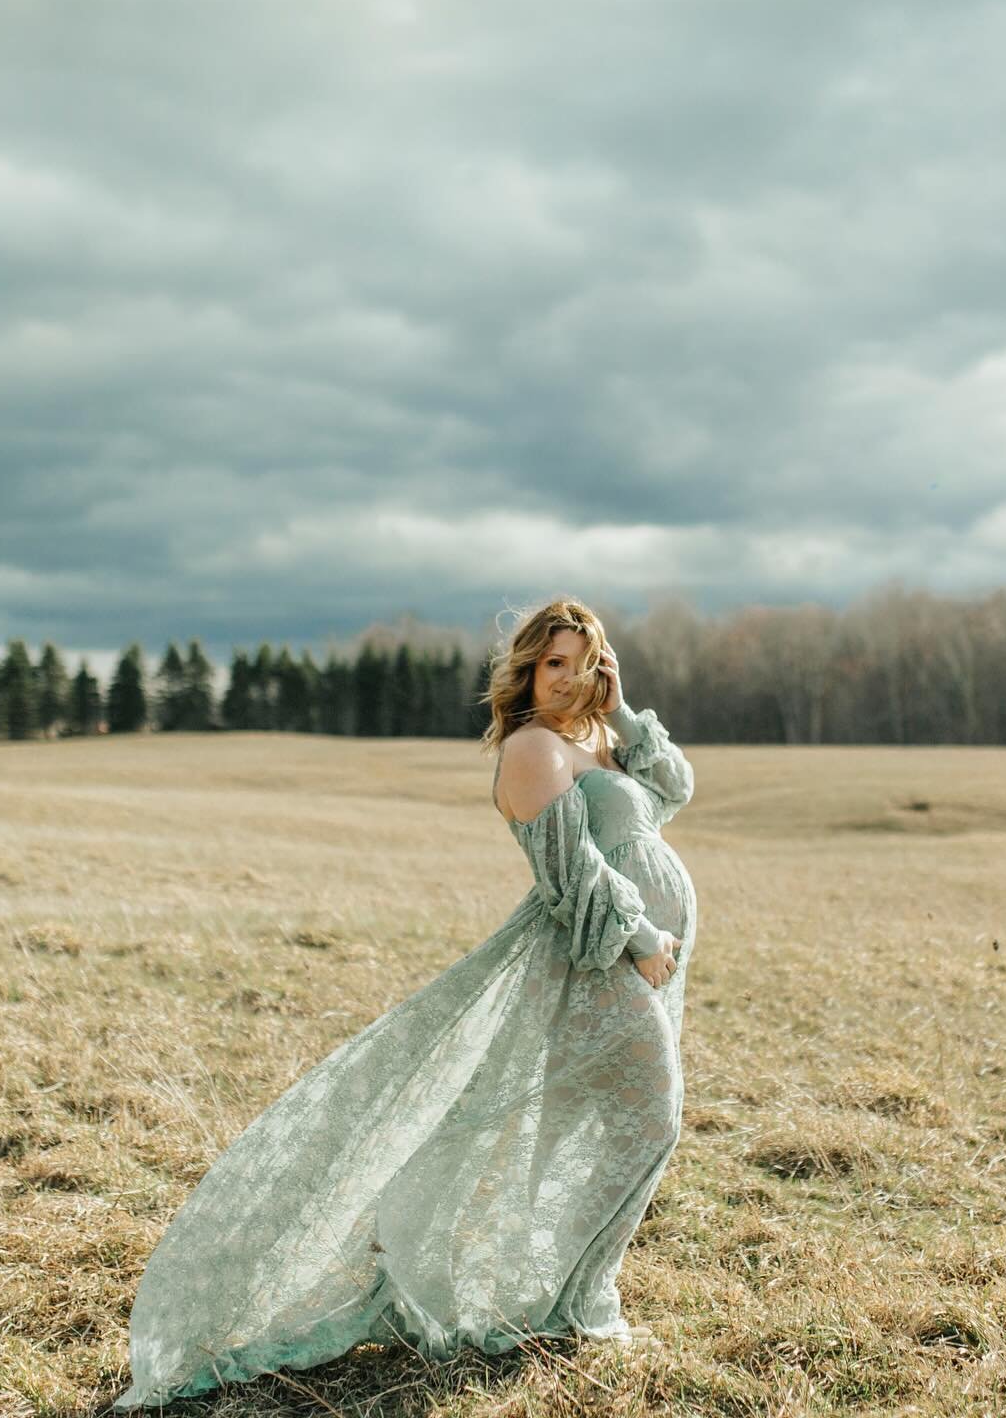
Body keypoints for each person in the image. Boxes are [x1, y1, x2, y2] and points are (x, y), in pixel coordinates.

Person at [113, 597, 696, 1408]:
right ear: (526, 670)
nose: (568, 678)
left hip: (637, 960)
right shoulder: (533, 749)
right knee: (650, 1117)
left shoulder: (596, 739)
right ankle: (565, 1301)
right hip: (591, 961)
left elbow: (673, 788)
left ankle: (564, 1301)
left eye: (583, 661)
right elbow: (572, 878)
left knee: (581, 1129)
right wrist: (641, 941)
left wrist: (622, 707)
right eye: (552, 663)